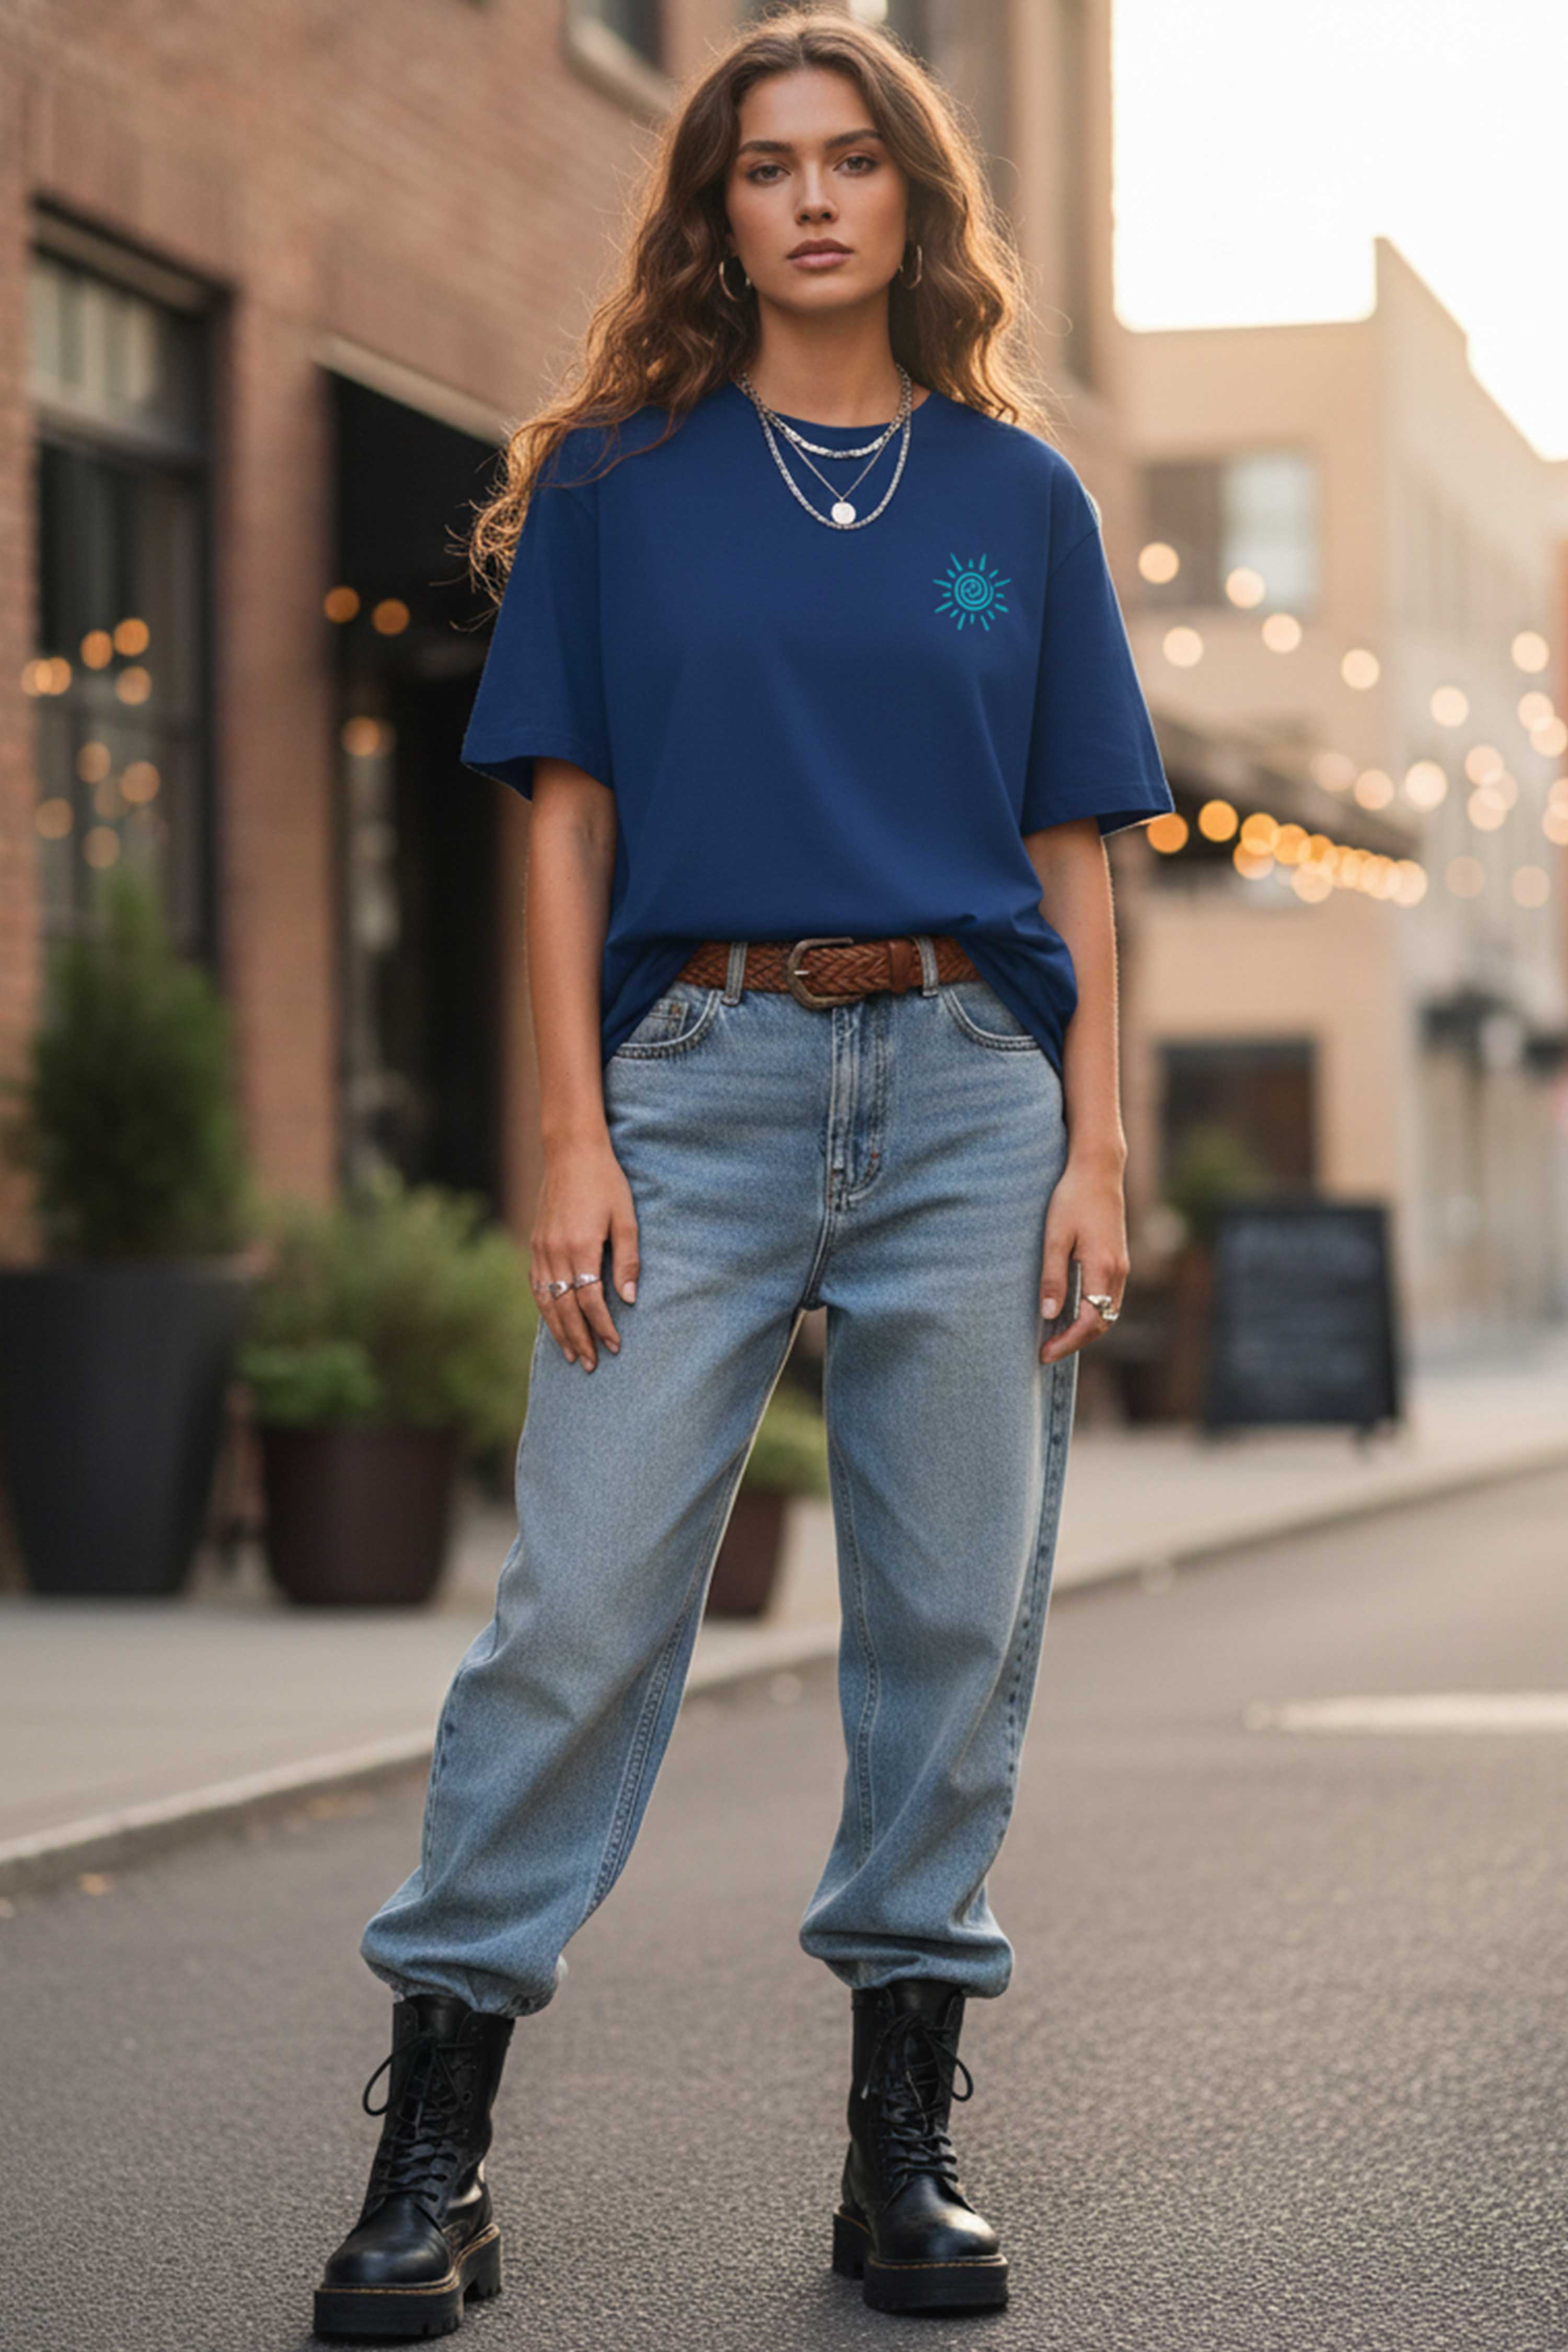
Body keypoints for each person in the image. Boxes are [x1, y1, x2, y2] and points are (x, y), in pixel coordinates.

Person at [312, 9, 1173, 2336]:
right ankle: (436, 2143)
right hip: (692, 1076)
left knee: (946, 1620)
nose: (806, 197)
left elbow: (1074, 840)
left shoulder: (1017, 499)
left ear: (912, 199)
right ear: (712, 211)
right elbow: (567, 820)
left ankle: (903, 2142)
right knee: (578, 1605)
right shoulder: (617, 477)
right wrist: (570, 1134)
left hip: (979, 1093)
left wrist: (1098, 1141)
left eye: (848, 160)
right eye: (761, 165)